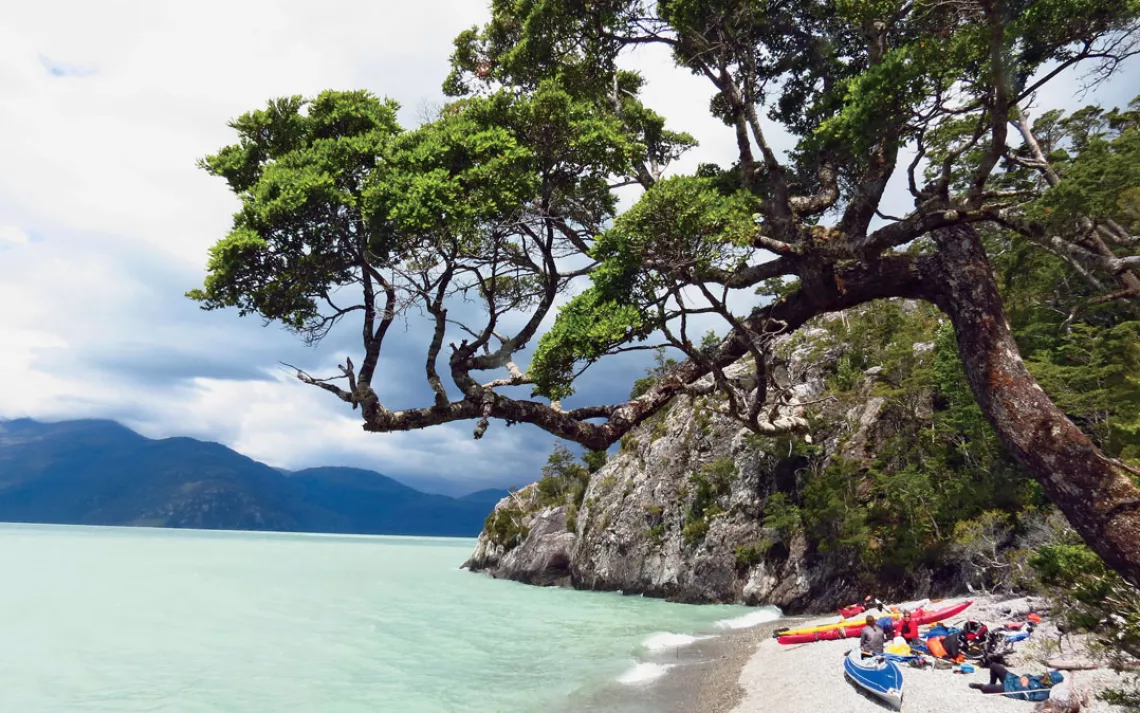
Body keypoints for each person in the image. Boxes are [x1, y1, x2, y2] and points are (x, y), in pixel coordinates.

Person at [969, 662, 1064, 701]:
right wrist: (1025, 676)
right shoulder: (1041, 678)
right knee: (994, 665)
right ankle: (992, 684)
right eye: (1046, 675)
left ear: (1050, 683)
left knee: (985, 688)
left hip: (1011, 689)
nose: (1044, 677)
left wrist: (1025, 685)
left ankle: (983, 687)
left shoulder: (1045, 693)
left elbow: (1029, 697)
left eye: (1047, 678)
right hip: (1013, 679)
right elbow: (1029, 675)